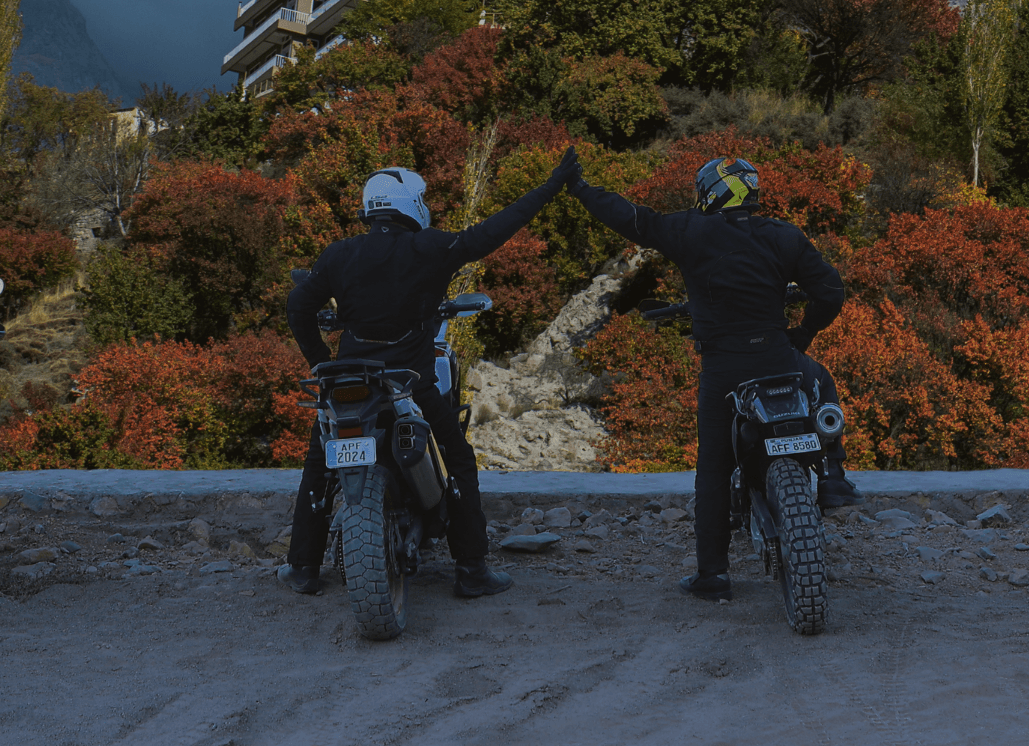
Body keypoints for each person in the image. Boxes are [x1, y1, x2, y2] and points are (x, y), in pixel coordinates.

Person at [280, 148, 584, 598]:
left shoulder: (339, 254)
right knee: (458, 460)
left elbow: (298, 305)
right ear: (411, 204)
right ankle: (472, 569)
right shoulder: (430, 247)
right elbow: (493, 231)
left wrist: (318, 364)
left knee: (319, 464)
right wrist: (550, 187)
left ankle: (303, 567)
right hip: (411, 383)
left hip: (348, 383)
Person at [566, 155, 855, 602]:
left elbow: (630, 218)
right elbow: (831, 292)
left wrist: (581, 189)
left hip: (725, 369)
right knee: (821, 380)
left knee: (715, 467)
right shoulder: (784, 235)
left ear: (709, 192)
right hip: (780, 357)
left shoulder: (689, 230)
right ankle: (834, 475)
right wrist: (802, 334)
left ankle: (713, 575)